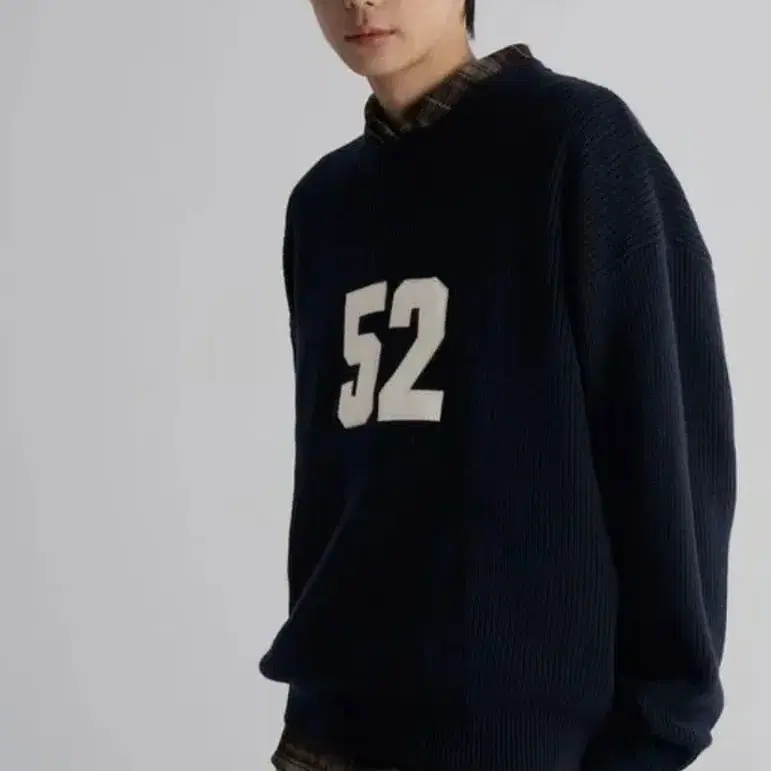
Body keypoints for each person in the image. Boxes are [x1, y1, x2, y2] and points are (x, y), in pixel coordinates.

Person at [259, 1, 738, 769]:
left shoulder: (573, 142)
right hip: (332, 733)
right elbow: (329, 481)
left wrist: (657, 731)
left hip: (517, 739)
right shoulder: (324, 203)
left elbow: (668, 450)